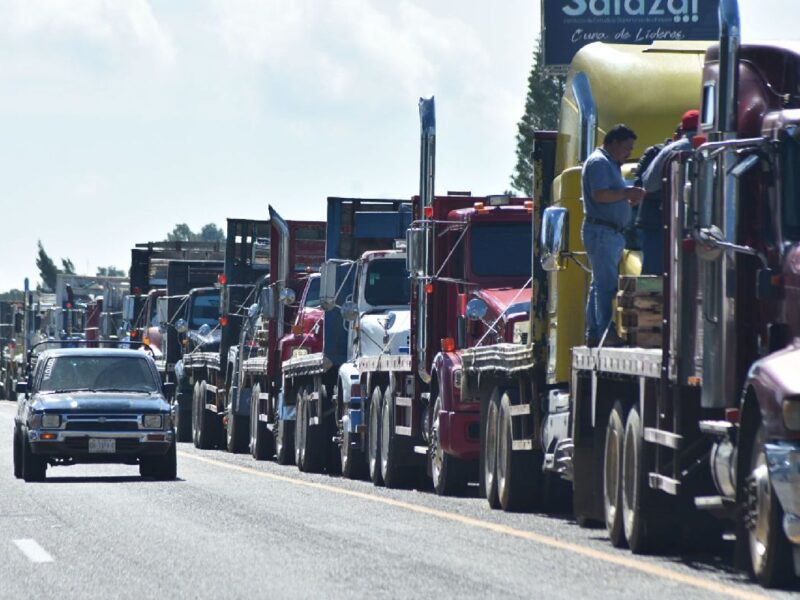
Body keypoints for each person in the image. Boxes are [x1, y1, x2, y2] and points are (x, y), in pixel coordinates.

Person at [581, 124, 646, 347]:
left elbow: (609, 195)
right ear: (614, 142)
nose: (628, 153)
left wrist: (626, 200)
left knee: (598, 284)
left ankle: (594, 332)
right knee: (606, 286)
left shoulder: (609, 162)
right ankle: (605, 333)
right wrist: (626, 193)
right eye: (627, 148)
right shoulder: (599, 162)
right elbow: (600, 195)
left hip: (608, 231)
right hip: (603, 231)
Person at [637, 109, 699, 275]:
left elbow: (648, 184)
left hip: (663, 223)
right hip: (701, 225)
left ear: (683, 129)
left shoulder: (669, 150)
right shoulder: (713, 147)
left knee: (655, 278)